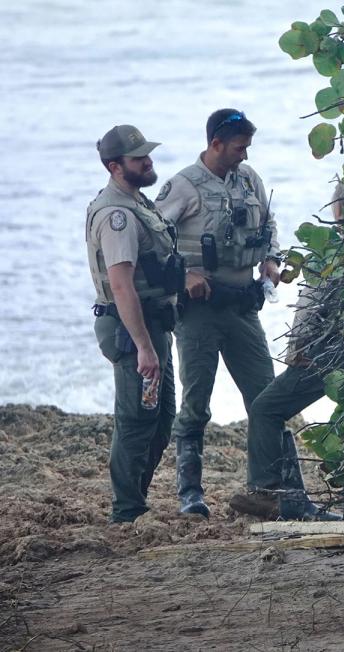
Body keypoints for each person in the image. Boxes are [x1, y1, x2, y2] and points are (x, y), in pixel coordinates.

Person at [155, 109, 281, 518]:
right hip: (200, 312)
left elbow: (269, 224)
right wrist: (186, 271)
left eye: (247, 147)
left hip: (243, 305)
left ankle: (276, 487)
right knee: (196, 403)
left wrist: (271, 261)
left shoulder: (249, 180)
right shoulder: (184, 186)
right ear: (215, 144)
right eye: (239, 148)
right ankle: (190, 493)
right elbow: (153, 238)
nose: (244, 155)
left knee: (268, 397)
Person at [229, 183, 344, 521]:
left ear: (339, 210)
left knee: (267, 409)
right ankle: (343, 497)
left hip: (327, 354)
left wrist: (295, 348)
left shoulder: (333, 249)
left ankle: (271, 492)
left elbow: (310, 308)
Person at [87, 125, 184, 523]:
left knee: (161, 419)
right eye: (138, 158)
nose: (148, 162)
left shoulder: (138, 202)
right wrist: (144, 347)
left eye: (147, 154)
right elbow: (122, 286)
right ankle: (126, 511)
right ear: (115, 167)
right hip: (132, 330)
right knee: (136, 420)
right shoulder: (117, 216)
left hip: (151, 326)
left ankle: (133, 501)